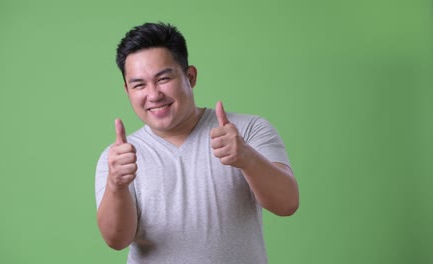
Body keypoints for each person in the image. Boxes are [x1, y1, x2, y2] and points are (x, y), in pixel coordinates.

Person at [95, 22, 299, 264]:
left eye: (163, 79)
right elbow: (116, 240)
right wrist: (116, 184)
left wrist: (247, 158)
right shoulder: (119, 159)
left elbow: (287, 204)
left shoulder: (247, 130)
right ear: (127, 90)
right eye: (139, 85)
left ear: (190, 76)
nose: (153, 94)